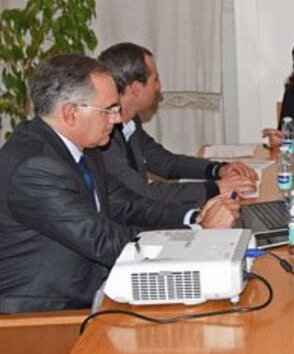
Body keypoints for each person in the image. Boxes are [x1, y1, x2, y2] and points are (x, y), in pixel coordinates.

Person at [0, 55, 240, 314]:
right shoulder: (35, 167)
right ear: (71, 113)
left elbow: (128, 205)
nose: (116, 119)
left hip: (93, 290)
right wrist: (198, 233)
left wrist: (193, 217)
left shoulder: (83, 147)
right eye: (109, 110)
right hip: (44, 314)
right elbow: (103, 241)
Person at [97, 42, 257, 206]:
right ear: (136, 88)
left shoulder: (130, 121)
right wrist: (216, 188)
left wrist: (219, 169)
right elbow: (141, 193)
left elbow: (165, 162)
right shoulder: (104, 136)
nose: (158, 87)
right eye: (155, 80)